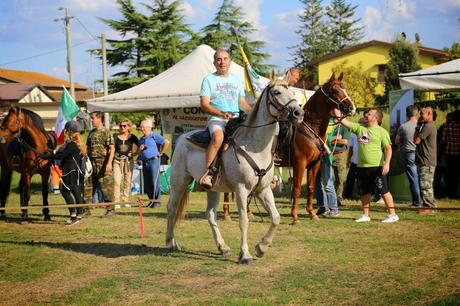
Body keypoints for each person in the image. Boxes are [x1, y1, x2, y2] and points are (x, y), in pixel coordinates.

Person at [198, 48, 252, 189]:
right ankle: (208, 173)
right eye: (219, 59)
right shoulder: (208, 79)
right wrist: (221, 113)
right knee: (218, 138)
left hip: (236, 119)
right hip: (217, 119)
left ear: (230, 61)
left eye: (225, 59)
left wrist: (254, 110)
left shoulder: (237, 80)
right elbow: (204, 104)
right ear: (214, 62)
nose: (222, 62)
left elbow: (242, 103)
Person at [335, 108, 399, 223]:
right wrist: (335, 108)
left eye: (369, 114)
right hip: (361, 167)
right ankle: (365, 215)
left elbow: (388, 149)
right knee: (365, 192)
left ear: (375, 118)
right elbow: (344, 121)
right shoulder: (360, 129)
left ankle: (393, 215)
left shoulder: (382, 131)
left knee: (383, 190)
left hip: (377, 167)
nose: (366, 115)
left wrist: (387, 164)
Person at [41, 121, 86, 225]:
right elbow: (61, 153)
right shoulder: (77, 144)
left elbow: (61, 155)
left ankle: (74, 216)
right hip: (74, 171)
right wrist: (52, 152)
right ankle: (79, 213)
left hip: (70, 171)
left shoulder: (71, 144)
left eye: (66, 131)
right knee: (76, 192)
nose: (65, 133)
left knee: (65, 191)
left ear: (70, 132)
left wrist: (47, 156)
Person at [85, 111, 115, 216]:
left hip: (103, 162)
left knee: (106, 187)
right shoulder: (91, 133)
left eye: (93, 118)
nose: (91, 120)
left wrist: (109, 163)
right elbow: (88, 148)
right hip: (92, 163)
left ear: (99, 119)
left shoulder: (106, 132)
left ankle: (110, 209)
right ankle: (86, 210)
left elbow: (112, 148)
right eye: (91, 118)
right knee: (88, 187)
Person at [138, 118, 169, 207]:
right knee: (147, 183)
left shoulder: (154, 136)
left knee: (154, 181)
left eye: (144, 127)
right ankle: (151, 200)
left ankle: (157, 201)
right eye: (141, 127)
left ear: (149, 127)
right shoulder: (141, 139)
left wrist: (161, 152)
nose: (142, 129)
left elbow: (166, 142)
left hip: (154, 160)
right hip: (144, 162)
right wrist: (139, 155)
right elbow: (140, 151)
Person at [395, 105, 422, 207]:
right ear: (417, 113)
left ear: (406, 114)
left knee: (413, 179)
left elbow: (397, 142)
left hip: (409, 154)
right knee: (421, 178)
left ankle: (417, 202)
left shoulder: (403, 126)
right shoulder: (421, 125)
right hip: (421, 154)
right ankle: (424, 200)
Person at [414, 106, 437, 208]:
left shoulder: (428, 126)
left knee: (426, 186)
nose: (420, 116)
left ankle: (429, 207)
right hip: (424, 160)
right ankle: (427, 205)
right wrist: (418, 126)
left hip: (427, 161)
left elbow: (416, 141)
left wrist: (418, 125)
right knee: (425, 184)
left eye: (422, 113)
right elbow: (416, 139)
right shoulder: (426, 125)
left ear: (429, 114)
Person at [315, 119, 339, 217]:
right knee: (317, 184)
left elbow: (327, 139)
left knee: (328, 184)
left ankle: (334, 209)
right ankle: (323, 207)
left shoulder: (330, 122)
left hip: (325, 157)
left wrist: (331, 138)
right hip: (315, 158)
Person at [113, 119, 139, 205]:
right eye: (121, 125)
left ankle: (126, 200)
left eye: (124, 126)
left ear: (128, 127)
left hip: (128, 162)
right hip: (117, 161)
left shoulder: (132, 137)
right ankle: (116, 201)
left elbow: (140, 146)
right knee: (117, 181)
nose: (122, 127)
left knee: (127, 181)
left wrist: (135, 153)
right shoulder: (115, 136)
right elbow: (112, 148)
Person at [440, 110, 460, 199]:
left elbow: (443, 141)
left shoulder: (447, 126)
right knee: (457, 174)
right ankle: (456, 193)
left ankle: (449, 193)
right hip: (459, 154)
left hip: (449, 153)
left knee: (449, 175)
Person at [330, 123, 351, 206]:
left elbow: (345, 141)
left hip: (340, 154)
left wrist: (330, 140)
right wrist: (336, 138)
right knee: (328, 177)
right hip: (328, 153)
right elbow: (324, 139)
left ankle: (338, 198)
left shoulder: (343, 127)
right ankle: (328, 198)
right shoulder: (329, 125)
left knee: (339, 177)